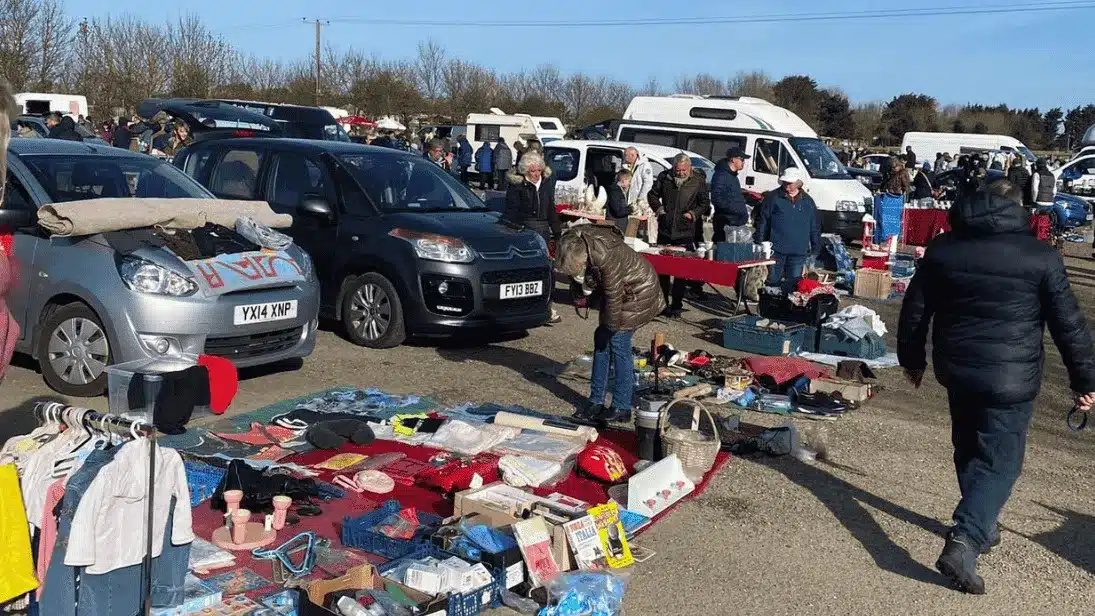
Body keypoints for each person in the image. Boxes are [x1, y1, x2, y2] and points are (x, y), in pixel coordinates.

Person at [897, 177, 1095, 595]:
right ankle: (966, 538)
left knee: (969, 448)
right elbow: (1070, 326)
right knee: (1001, 461)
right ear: (1019, 208)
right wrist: (1085, 380)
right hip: (1011, 378)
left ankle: (980, 524)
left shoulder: (944, 249)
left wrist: (912, 360)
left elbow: (915, 311)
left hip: (958, 371)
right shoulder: (1040, 257)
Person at [556, 224, 666, 425]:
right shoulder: (574, 241)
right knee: (601, 342)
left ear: (584, 258)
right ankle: (596, 400)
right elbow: (580, 279)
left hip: (639, 292)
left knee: (618, 344)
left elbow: (614, 298)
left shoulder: (606, 255)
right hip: (622, 291)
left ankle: (622, 407)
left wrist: (611, 327)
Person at [647, 153, 710, 318]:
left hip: (685, 230)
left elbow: (704, 203)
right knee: (662, 271)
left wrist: (693, 214)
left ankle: (676, 305)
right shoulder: (664, 177)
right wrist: (659, 209)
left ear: (689, 168)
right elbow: (652, 194)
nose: (680, 173)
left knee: (680, 273)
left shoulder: (697, 180)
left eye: (683, 170)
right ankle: (662, 305)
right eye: (678, 170)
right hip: (665, 229)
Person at [504, 151, 562, 324]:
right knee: (524, 271)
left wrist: (558, 233)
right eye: (533, 171)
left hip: (543, 229)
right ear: (525, 172)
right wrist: (512, 233)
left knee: (548, 270)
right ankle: (519, 307)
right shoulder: (517, 187)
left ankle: (547, 306)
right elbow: (511, 213)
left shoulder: (545, 184)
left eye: (539, 170)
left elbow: (551, 210)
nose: (536, 174)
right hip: (524, 230)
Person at [754, 168, 821, 294]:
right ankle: (769, 307)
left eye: (789, 183)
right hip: (776, 250)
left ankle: (787, 310)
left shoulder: (808, 202)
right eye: (784, 182)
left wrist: (816, 246)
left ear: (798, 183)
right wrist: (759, 242)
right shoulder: (772, 198)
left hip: (798, 251)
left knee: (794, 284)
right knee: (772, 282)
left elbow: (814, 226)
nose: (786, 185)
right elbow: (763, 221)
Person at [710, 146, 752, 242]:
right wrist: (734, 209)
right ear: (733, 160)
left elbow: (732, 196)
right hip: (727, 223)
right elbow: (716, 198)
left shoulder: (732, 176)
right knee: (724, 251)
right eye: (742, 159)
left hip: (735, 223)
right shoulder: (721, 175)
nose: (744, 162)